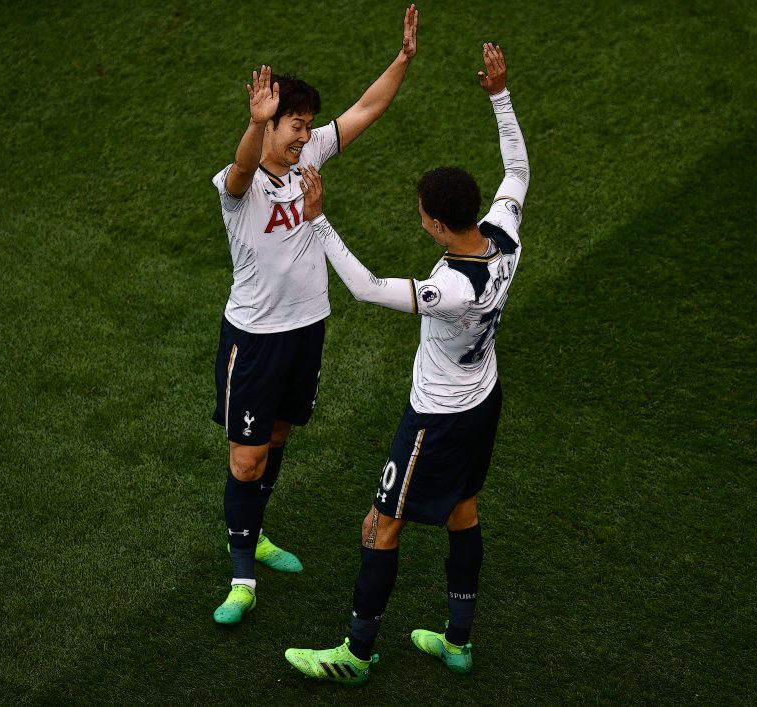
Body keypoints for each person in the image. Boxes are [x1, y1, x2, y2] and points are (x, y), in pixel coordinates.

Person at [284, 43, 528, 683]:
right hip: (485, 400)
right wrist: (499, 94)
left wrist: (319, 220)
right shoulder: (504, 234)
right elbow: (519, 169)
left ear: (440, 227)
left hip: (437, 418)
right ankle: (458, 642)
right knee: (463, 512)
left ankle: (356, 655)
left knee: (380, 524)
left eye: (422, 215)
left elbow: (366, 288)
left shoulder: (449, 291)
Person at [209, 6, 420, 625]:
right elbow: (246, 164)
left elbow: (365, 109)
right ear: (266, 125)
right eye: (292, 126)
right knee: (244, 458)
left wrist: (402, 60)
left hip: (307, 330)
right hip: (254, 338)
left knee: (276, 439)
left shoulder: (309, 161)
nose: (303, 135)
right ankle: (242, 573)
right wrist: (253, 126)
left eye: (305, 125)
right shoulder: (236, 184)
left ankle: (257, 530)